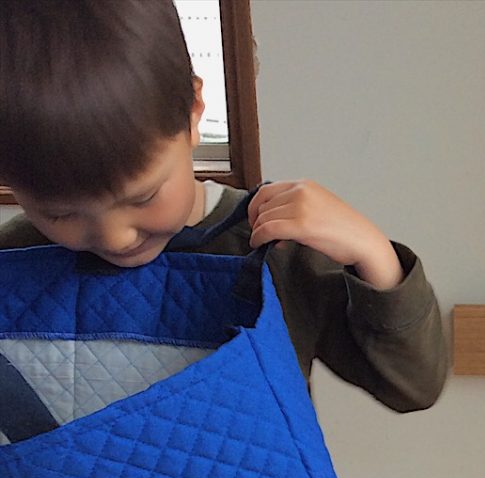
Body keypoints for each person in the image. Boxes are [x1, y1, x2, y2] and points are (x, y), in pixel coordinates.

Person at [0, 0, 449, 412]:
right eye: (61, 214)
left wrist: (374, 256)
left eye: (143, 197)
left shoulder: (275, 247)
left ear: (193, 110)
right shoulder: (12, 257)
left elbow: (413, 387)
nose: (115, 238)